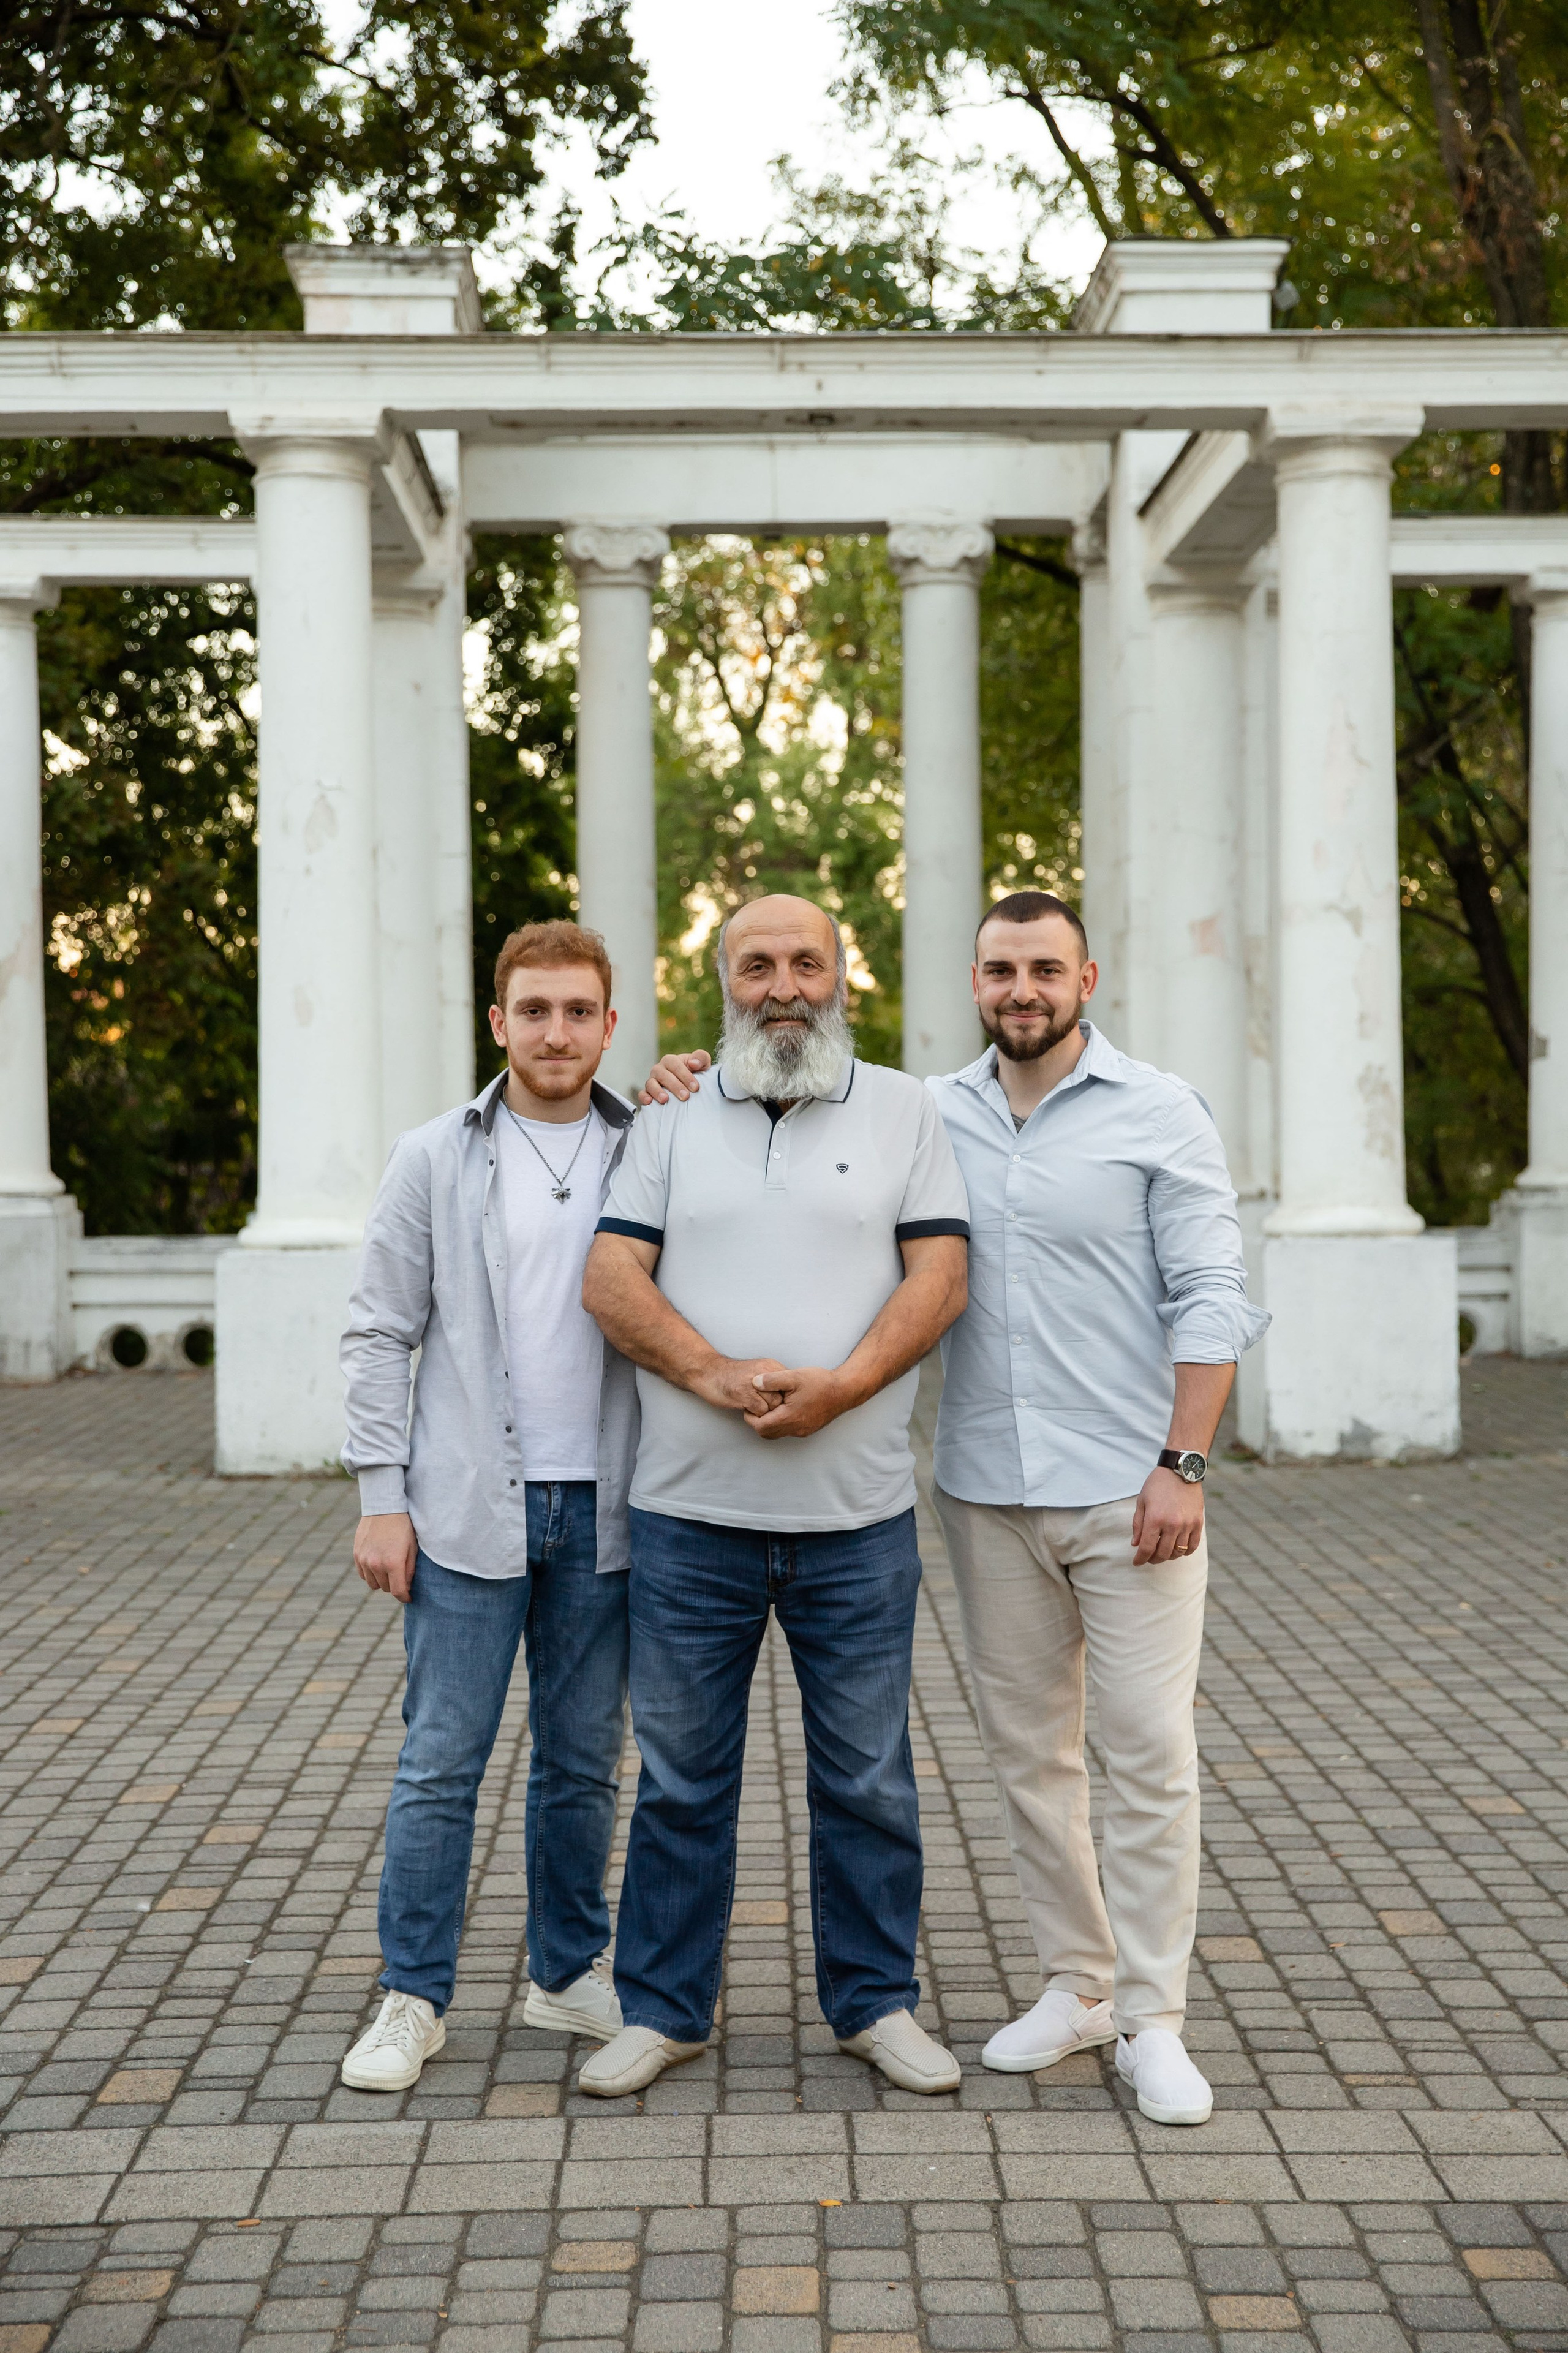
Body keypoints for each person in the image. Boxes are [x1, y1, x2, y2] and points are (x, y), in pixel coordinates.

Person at [642, 889, 1268, 2128]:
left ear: (1085, 978)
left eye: (1042, 969)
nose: (1019, 990)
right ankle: (1076, 1986)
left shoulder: (1159, 1112)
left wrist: (1182, 1464)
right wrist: (677, 1075)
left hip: (1129, 1487)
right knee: (1032, 1760)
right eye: (997, 971)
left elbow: (1211, 1293)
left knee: (1144, 1755)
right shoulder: (927, 1111)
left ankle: (1154, 2018)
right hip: (983, 1488)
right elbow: (780, 1102)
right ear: (971, 982)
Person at [575, 893, 971, 2101]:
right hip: (690, 1516)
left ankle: (874, 2004)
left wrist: (842, 1387)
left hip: (857, 1520)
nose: (782, 984)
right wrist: (711, 1373)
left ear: (842, 977)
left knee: (867, 1778)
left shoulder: (908, 1108)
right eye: (758, 964)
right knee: (683, 1781)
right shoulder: (669, 1115)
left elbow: (942, 1272)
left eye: (807, 961)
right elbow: (608, 1276)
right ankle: (663, 2010)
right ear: (723, 982)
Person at [337, 920, 638, 2092]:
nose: (555, 1031)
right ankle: (412, 1994)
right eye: (534, 1010)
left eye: (578, 1011)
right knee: (439, 1761)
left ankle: (567, 1974)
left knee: (582, 1763)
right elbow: (379, 1328)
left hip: (606, 1502)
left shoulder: (648, 1147)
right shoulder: (435, 1156)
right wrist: (380, 1497)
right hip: (465, 1505)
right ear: (498, 1021)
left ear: (608, 1026)